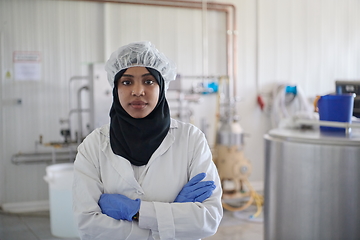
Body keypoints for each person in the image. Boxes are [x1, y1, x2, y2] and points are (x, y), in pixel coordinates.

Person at [72, 41, 223, 240]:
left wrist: (138, 212)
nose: (138, 91)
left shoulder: (191, 140)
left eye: (149, 81)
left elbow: (209, 219)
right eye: (126, 82)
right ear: (115, 88)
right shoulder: (93, 146)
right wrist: (169, 220)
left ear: (162, 86)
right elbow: (87, 224)